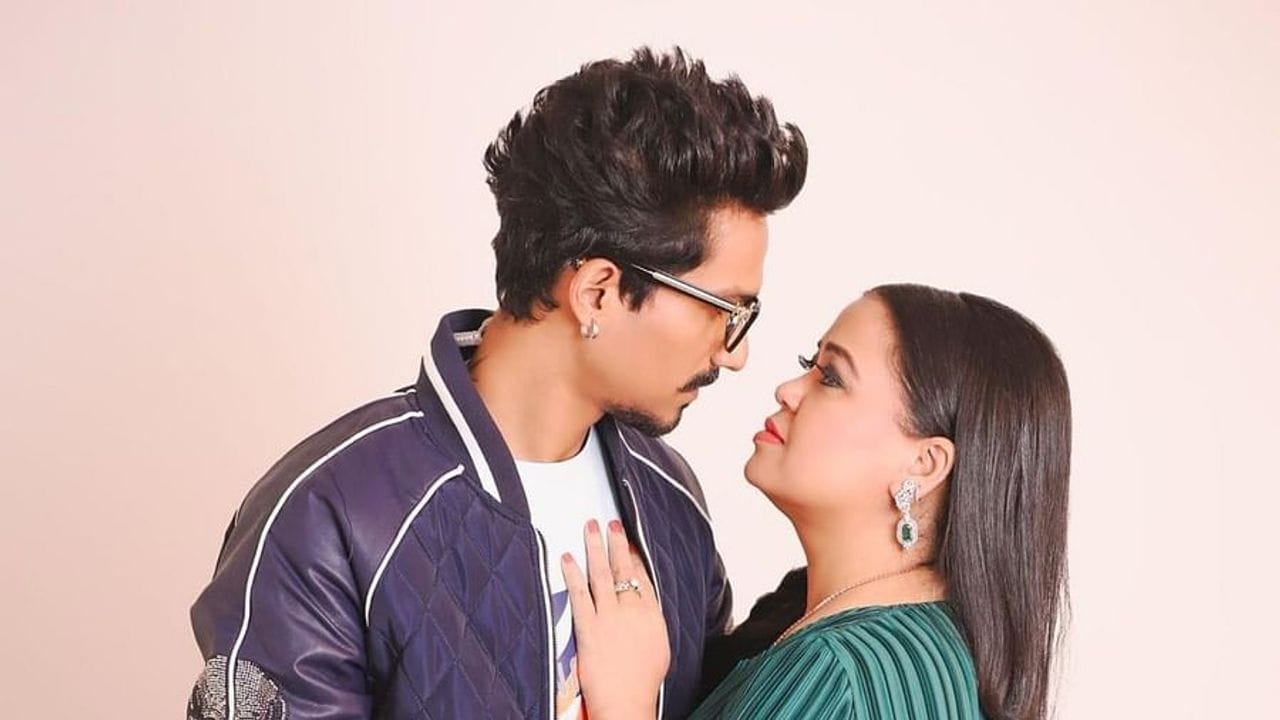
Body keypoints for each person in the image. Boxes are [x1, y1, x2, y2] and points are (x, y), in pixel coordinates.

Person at [186, 47, 807, 720]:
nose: (736, 354)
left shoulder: (670, 499)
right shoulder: (328, 513)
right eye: (724, 310)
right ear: (597, 293)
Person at [565, 284, 1072, 720]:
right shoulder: (937, 645)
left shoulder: (833, 671)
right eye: (809, 364)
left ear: (924, 464)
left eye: (830, 377)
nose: (788, 390)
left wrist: (626, 705)